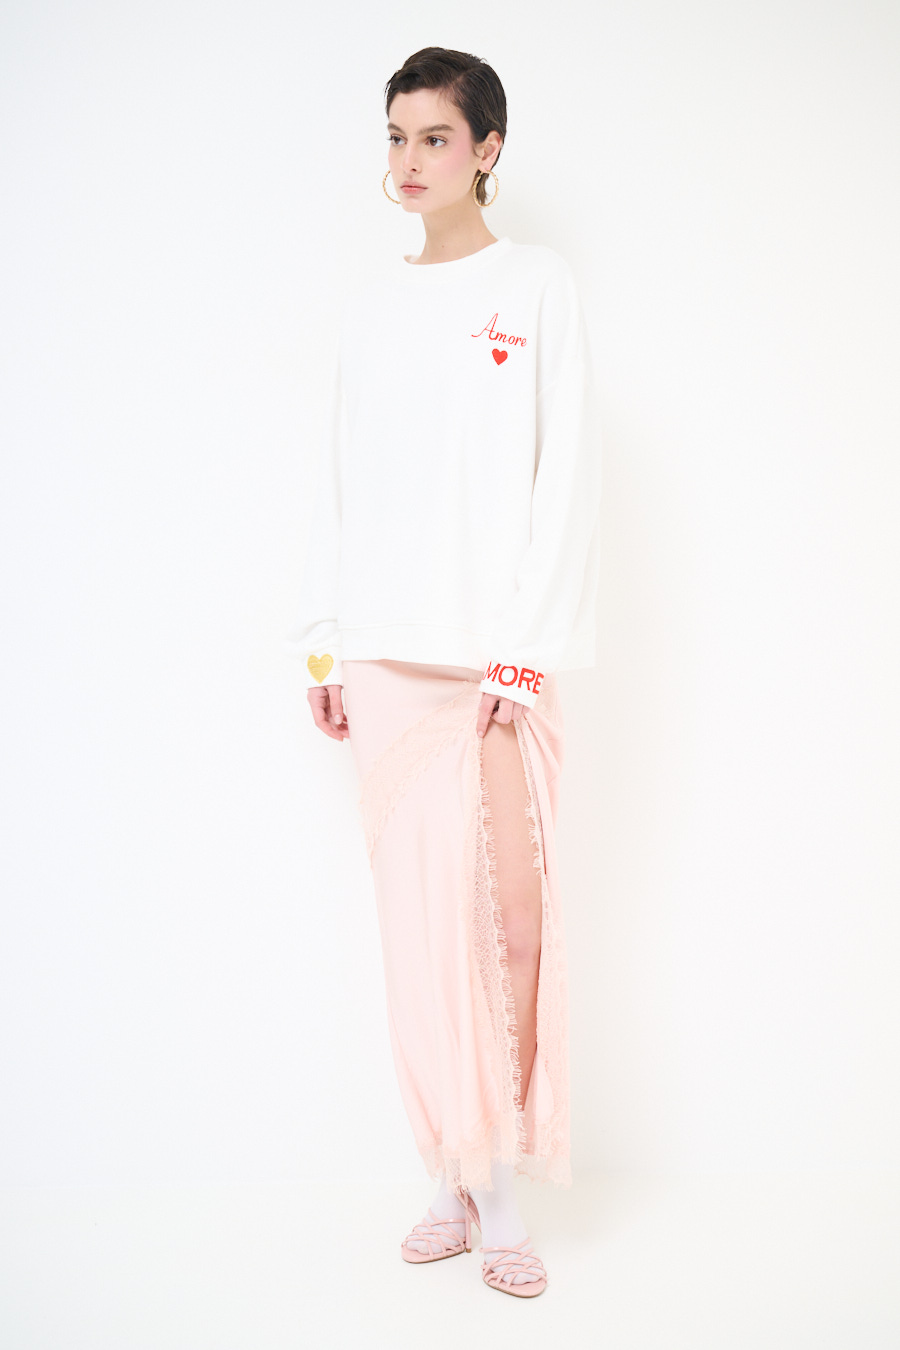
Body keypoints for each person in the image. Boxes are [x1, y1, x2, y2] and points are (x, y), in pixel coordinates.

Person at [284, 46, 603, 1299]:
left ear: (488, 149)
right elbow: (338, 477)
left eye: (434, 137)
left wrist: (522, 652)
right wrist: (323, 638)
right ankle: (455, 1179)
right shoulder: (370, 308)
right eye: (397, 136)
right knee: (420, 934)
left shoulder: (537, 286)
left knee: (511, 925)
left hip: (496, 660)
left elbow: (566, 475)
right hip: (382, 652)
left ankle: (501, 1168)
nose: (409, 160)